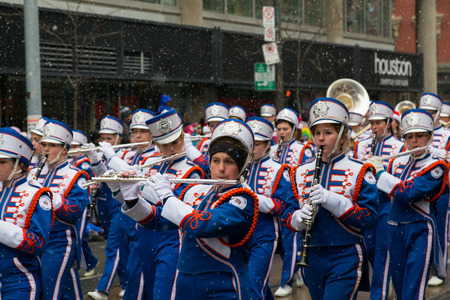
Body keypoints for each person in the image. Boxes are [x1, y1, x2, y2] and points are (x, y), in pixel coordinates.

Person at [118, 118, 258, 299]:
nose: (220, 169)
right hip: (185, 283)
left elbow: (202, 225)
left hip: (223, 286)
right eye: (215, 160)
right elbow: (160, 221)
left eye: (229, 161)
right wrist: (132, 199)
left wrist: (167, 196)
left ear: (242, 165)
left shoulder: (244, 199)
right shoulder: (198, 191)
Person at [285, 97, 379, 299]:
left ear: (342, 136)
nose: (320, 138)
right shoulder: (299, 172)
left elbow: (370, 217)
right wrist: (298, 218)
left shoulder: (360, 170)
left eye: (328, 133)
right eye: (317, 133)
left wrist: (333, 200)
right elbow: (287, 214)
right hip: (311, 254)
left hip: (345, 253)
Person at [367, 109, 449, 299]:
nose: (414, 141)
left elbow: (408, 192)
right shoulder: (397, 161)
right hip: (394, 227)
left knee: (413, 288)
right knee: (400, 285)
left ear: (429, 137)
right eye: (409, 136)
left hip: (419, 229)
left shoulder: (436, 165)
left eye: (419, 136)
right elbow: (381, 191)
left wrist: (380, 173)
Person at [28, 119, 90, 300]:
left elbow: (75, 211)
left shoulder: (75, 175)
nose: (45, 149)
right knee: (59, 288)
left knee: (49, 291)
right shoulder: (33, 173)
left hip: (59, 240)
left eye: (52, 145)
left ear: (64, 149)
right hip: (36, 238)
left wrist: (49, 197)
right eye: (44, 144)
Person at [353, 101, 406, 299]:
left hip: (386, 202)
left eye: (378, 123)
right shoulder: (360, 145)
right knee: (369, 248)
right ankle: (384, 278)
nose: (374, 127)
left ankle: (379, 293)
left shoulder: (399, 146)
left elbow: (397, 179)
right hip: (366, 202)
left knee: (383, 249)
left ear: (389, 122)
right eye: (371, 123)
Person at [0, 127, 53, 300]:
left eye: (1, 162)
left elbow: (37, 243)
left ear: (19, 164)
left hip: (19, 280)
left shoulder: (37, 194)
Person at [245, 116, 292, 299]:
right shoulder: (239, 166)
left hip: (264, 232)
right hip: (239, 230)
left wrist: (252, 197)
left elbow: (281, 206)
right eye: (250, 143)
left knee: (253, 282)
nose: (253, 148)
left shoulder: (279, 169)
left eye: (257, 143)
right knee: (253, 283)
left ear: (267, 145)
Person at [270, 108, 314, 297]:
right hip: (274, 200)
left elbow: (306, 176)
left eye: (285, 129)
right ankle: (296, 273)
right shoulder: (271, 149)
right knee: (280, 242)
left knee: (291, 241)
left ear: (294, 129)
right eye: (279, 129)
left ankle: (286, 280)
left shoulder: (303, 149)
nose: (281, 132)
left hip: (292, 200)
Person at [86, 116, 130, 300]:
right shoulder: (102, 152)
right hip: (104, 202)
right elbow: (103, 177)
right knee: (120, 247)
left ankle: (103, 289)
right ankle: (128, 284)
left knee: (114, 246)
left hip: (119, 202)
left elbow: (118, 176)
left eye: (109, 138)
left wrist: (110, 158)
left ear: (119, 138)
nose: (104, 142)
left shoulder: (125, 154)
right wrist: (95, 161)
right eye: (102, 138)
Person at [417, 93, 450, 287]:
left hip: (442, 187)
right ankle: (425, 264)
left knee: (440, 228)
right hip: (420, 186)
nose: (427, 115)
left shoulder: (447, 135)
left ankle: (440, 270)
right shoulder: (415, 132)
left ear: (438, 113)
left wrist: (441, 155)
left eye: (431, 112)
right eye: (424, 112)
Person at [68, 129, 99, 278]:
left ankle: (90, 263)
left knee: (78, 238)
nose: (72, 150)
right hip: (74, 204)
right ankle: (89, 262)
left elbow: (87, 183)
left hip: (83, 204)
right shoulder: (73, 161)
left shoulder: (84, 163)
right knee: (77, 238)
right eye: (71, 147)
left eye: (76, 147)